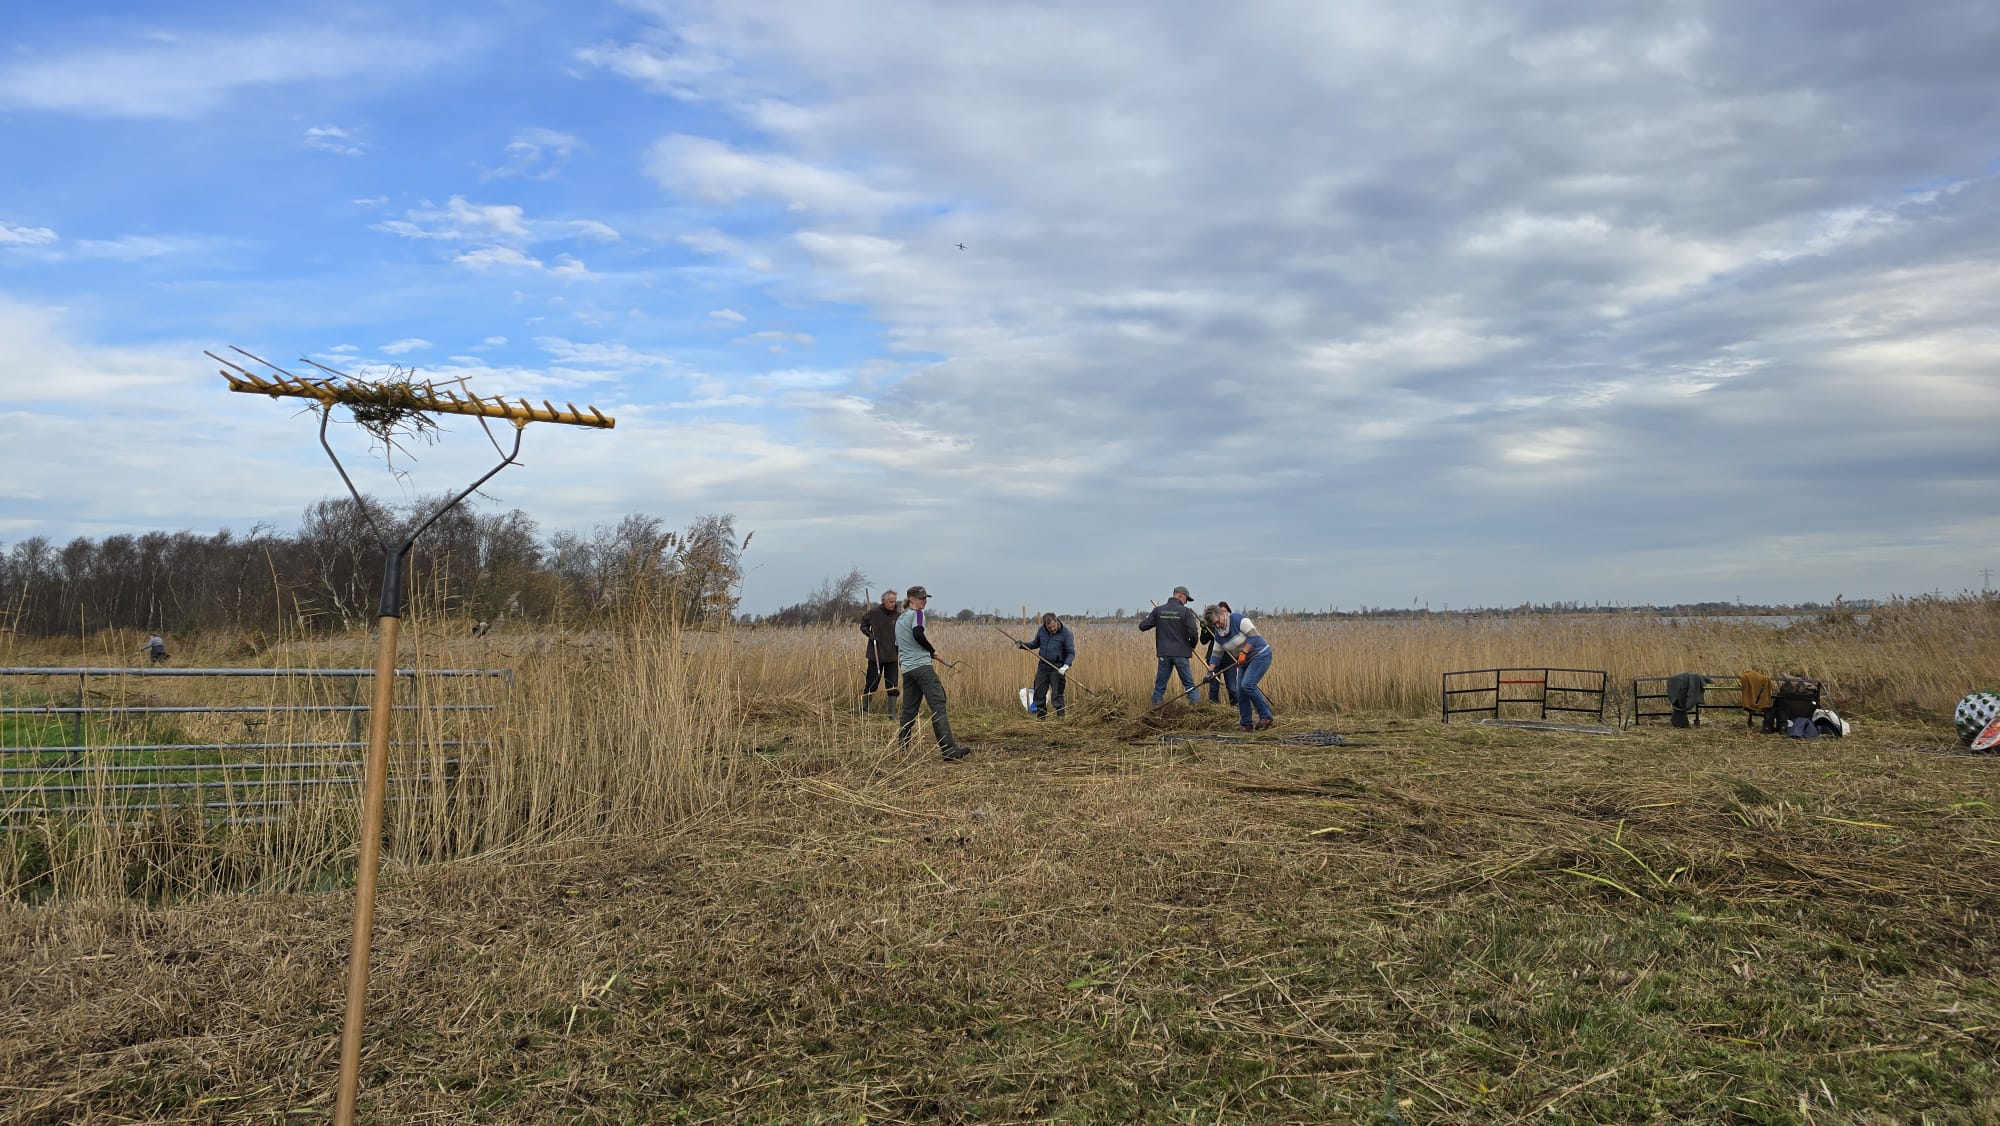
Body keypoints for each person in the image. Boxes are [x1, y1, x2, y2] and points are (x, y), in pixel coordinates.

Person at [895, 586, 972, 761]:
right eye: (920, 597)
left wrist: (908, 661)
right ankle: (949, 750)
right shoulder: (917, 615)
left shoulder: (900, 619)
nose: (924, 600)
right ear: (911, 599)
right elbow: (918, 633)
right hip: (922, 668)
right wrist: (932, 650)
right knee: (938, 704)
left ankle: (901, 751)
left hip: (908, 670)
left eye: (925, 597)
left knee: (908, 711)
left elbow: (897, 647)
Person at [1205, 604, 1274, 730]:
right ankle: (1246, 724)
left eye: (1218, 622)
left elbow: (1254, 636)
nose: (1218, 626)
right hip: (1244, 661)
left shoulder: (1238, 619)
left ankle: (1266, 716)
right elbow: (1216, 654)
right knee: (1240, 692)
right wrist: (1209, 672)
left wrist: (1244, 652)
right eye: (1214, 624)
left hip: (1260, 655)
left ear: (1221, 614)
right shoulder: (1219, 634)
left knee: (1247, 684)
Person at [1139, 585, 1202, 705]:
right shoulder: (1186, 612)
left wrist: (1154, 617)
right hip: (1181, 653)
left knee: (1159, 687)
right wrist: (1191, 645)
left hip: (1164, 653)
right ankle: (1198, 710)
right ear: (1180, 596)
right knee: (1189, 685)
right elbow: (1193, 633)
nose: (1186, 602)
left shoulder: (1159, 610)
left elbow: (1142, 626)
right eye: (1186, 599)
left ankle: (1155, 712)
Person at [1015, 611, 1076, 718]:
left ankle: (1061, 720)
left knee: (1057, 696)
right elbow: (1035, 644)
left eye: (1053, 626)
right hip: (1043, 667)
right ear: (1045, 625)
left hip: (1057, 668)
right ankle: (1041, 720)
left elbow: (1071, 653)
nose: (1052, 629)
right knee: (1039, 694)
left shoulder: (1066, 634)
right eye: (1049, 627)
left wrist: (1066, 665)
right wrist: (1023, 645)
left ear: (1056, 621)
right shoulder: (1042, 630)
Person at [858, 590, 901, 714]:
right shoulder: (874, 613)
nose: (893, 604)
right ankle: (864, 712)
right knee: (872, 684)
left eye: (894, 601)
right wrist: (870, 635)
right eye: (891, 601)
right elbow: (863, 626)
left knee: (892, 686)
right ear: (884, 601)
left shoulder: (898, 616)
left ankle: (892, 716)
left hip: (892, 656)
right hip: (876, 654)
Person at [1202, 599, 1238, 706]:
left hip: (1230, 659)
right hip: (1214, 659)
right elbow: (1203, 641)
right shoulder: (1212, 626)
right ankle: (1214, 708)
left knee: (1232, 687)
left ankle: (1236, 707)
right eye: (1221, 612)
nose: (1223, 614)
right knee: (1213, 686)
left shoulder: (1233, 625)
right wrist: (1204, 629)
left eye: (1225, 612)